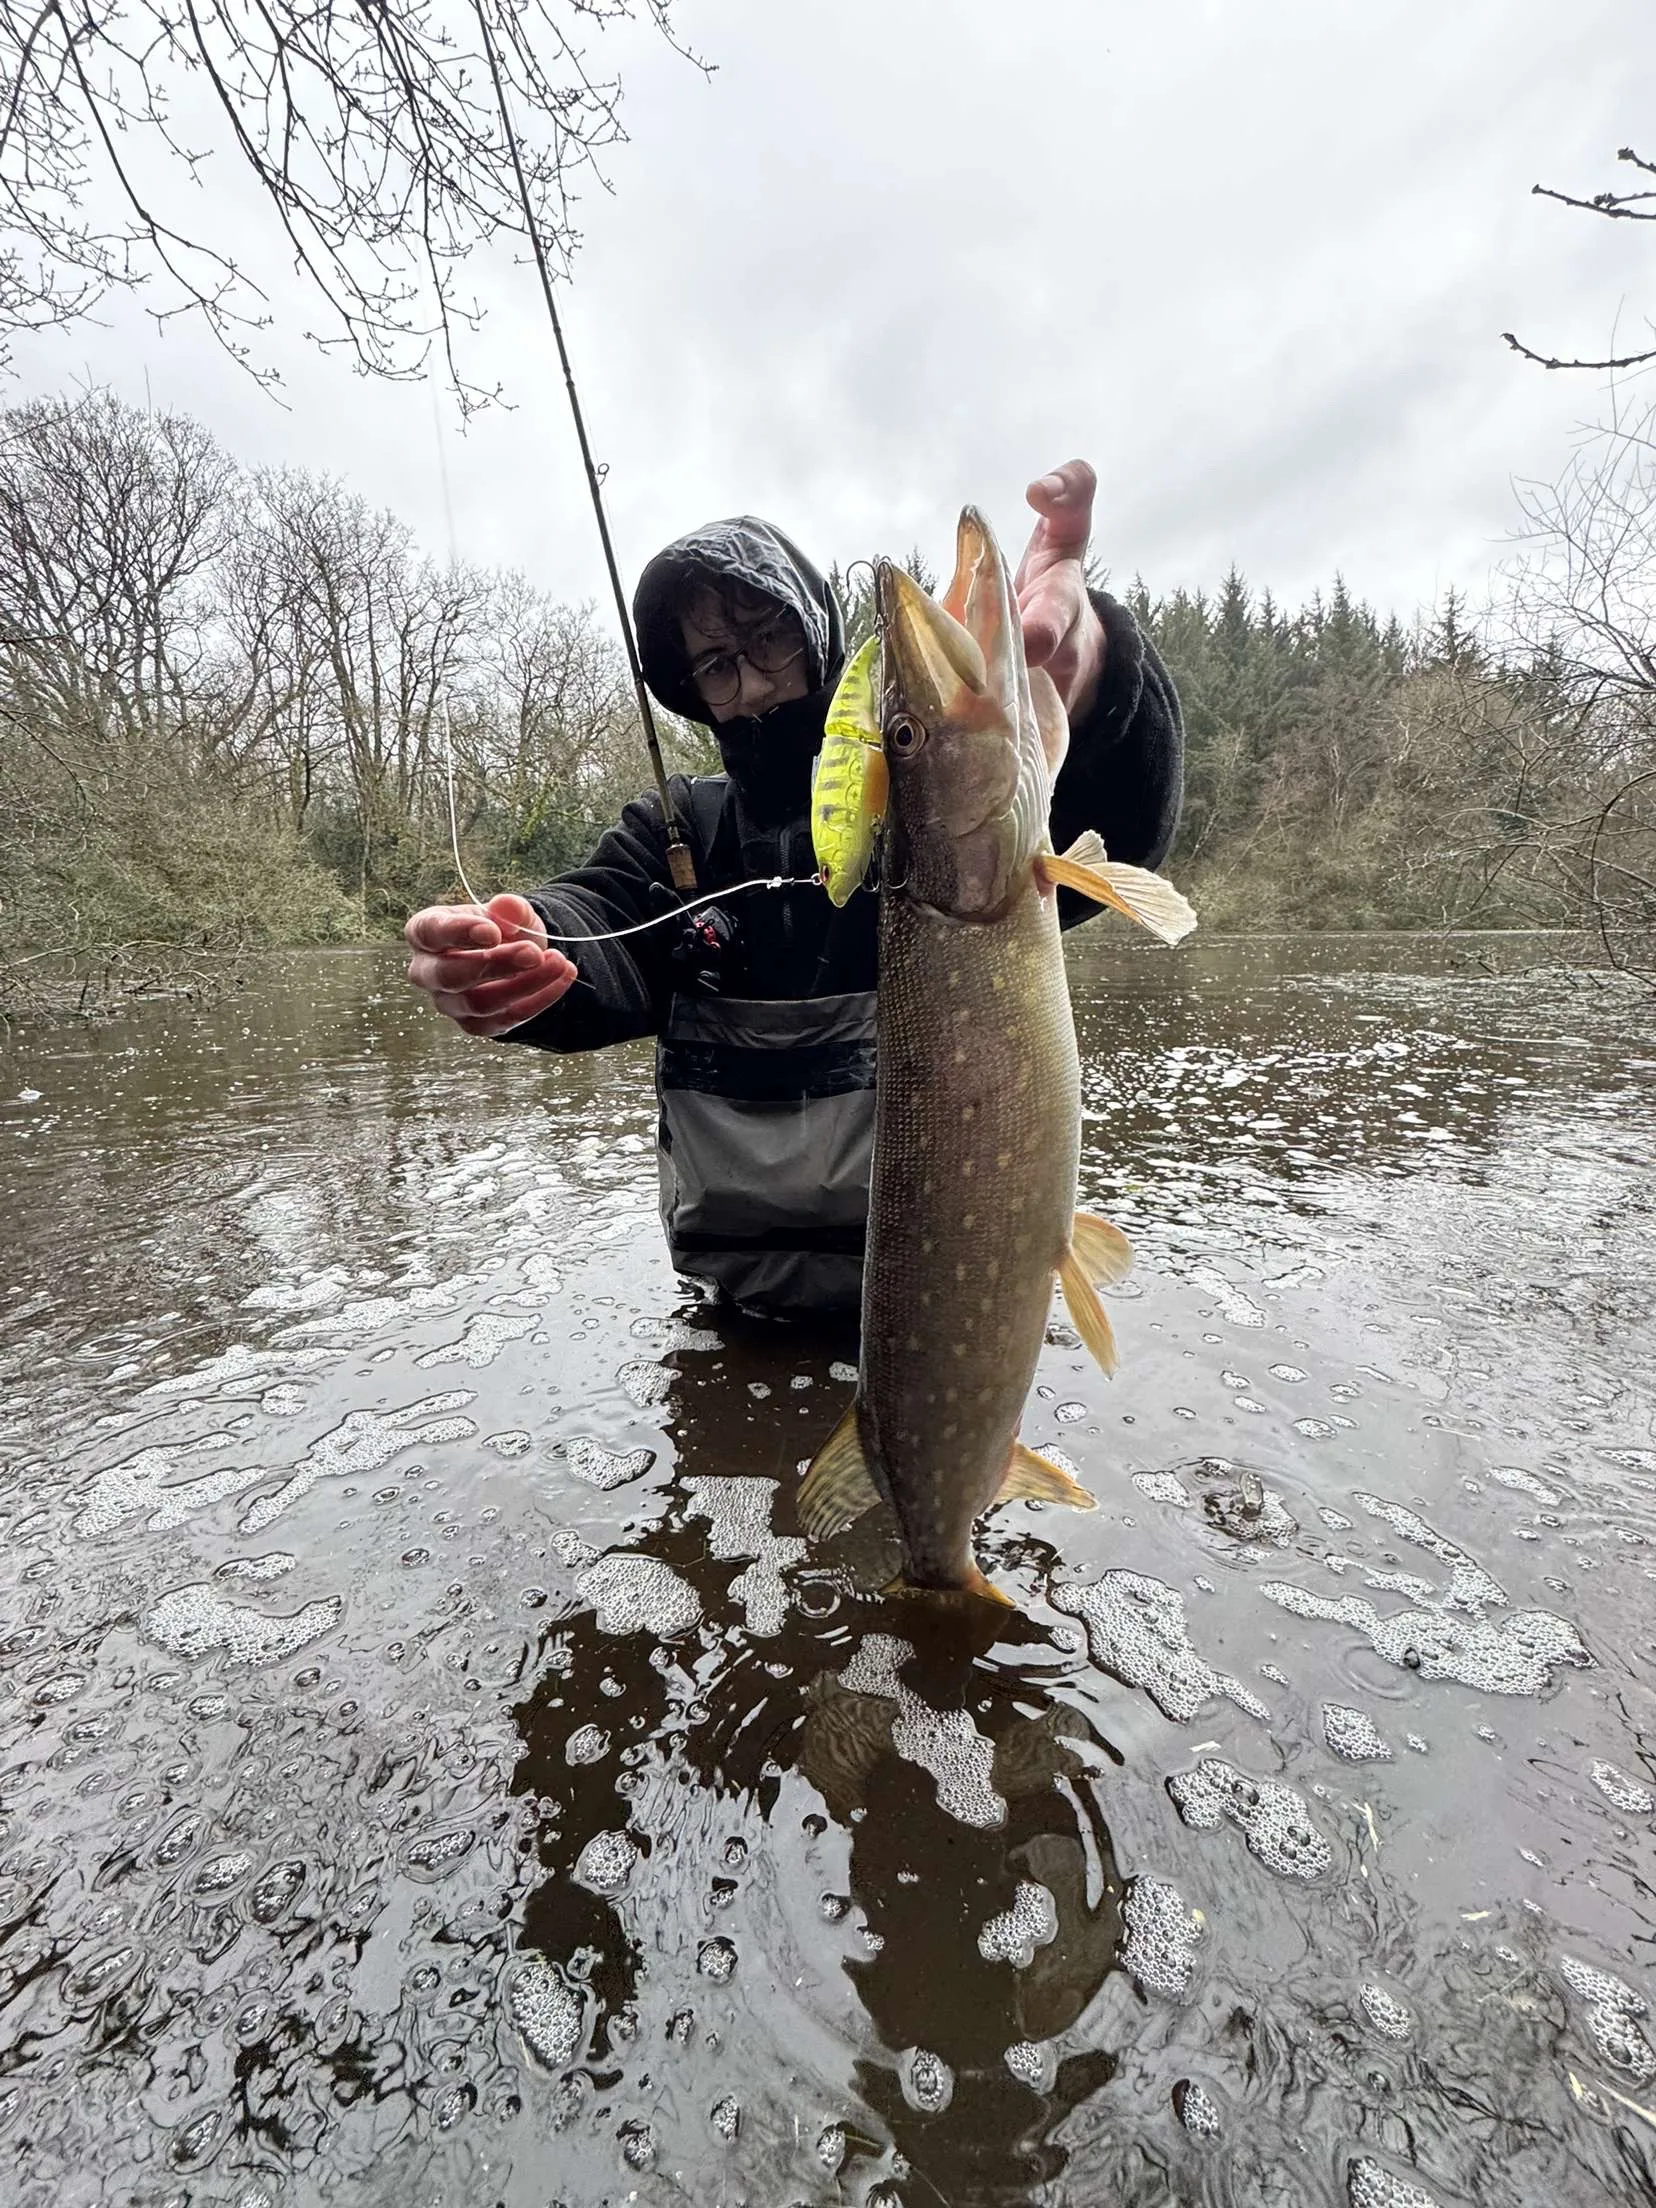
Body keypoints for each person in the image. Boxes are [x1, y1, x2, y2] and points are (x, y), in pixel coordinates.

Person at [405, 459, 1183, 1317]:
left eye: (767, 635)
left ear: (813, 635)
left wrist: (1101, 679)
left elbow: (1123, 825)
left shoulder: (923, 822)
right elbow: (604, 926)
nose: (752, 679)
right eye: (714, 662)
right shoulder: (679, 836)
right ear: (692, 690)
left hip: (931, 1299)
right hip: (735, 1314)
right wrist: (527, 949)